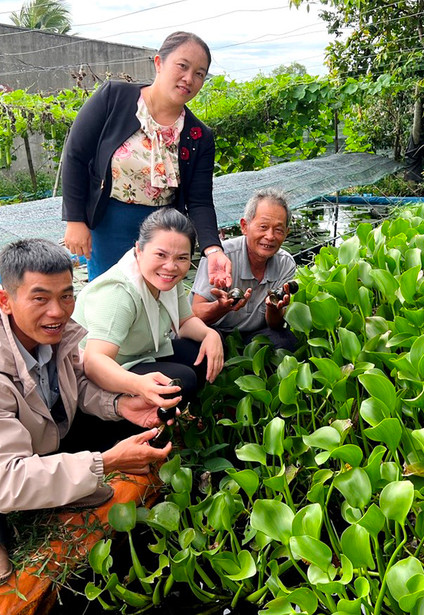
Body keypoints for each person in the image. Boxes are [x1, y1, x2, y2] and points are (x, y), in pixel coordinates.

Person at [0, 239, 174, 588]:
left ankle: (62, 487)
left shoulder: (52, 337)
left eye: (66, 295)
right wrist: (105, 463)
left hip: (34, 441)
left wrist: (121, 405)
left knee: (110, 414)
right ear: (6, 302)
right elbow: (2, 480)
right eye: (40, 298)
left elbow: (75, 384)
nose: (58, 311)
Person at [62, 31, 231, 288]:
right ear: (159, 63)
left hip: (163, 237)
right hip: (109, 224)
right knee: (110, 299)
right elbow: (75, 155)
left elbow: (200, 201)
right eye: (182, 66)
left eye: (199, 73)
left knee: (157, 306)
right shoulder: (113, 98)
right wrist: (75, 220)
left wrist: (213, 249)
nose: (189, 78)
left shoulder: (199, 136)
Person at [73, 208, 224, 409]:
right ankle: (148, 427)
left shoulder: (167, 279)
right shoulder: (118, 292)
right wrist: (139, 385)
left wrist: (209, 334)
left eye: (182, 258)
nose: (170, 266)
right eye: (161, 255)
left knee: (206, 349)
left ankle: (186, 414)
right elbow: (94, 362)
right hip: (100, 373)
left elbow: (184, 322)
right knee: (181, 380)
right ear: (139, 250)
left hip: (139, 354)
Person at [190, 188, 298, 351]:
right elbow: (195, 313)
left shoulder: (286, 263)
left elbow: (275, 324)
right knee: (194, 347)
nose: (270, 236)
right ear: (244, 226)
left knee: (286, 341)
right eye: (263, 227)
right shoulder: (220, 256)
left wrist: (273, 308)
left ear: (286, 233)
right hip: (214, 330)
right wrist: (221, 307)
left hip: (253, 335)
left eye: (278, 230)